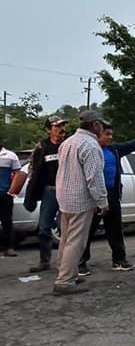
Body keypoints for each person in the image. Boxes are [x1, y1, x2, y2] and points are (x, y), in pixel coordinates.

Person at [78, 122, 135, 276]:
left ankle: (119, 259)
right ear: (98, 133)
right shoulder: (90, 149)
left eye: (112, 134)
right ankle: (80, 262)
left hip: (111, 194)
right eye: (107, 134)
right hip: (92, 196)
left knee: (115, 229)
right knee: (87, 230)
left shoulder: (114, 149)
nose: (110, 137)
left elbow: (133, 144)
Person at [53, 110, 109, 295]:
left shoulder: (67, 142)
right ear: (95, 125)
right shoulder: (90, 145)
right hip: (80, 200)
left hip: (64, 197)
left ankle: (67, 272)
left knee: (66, 239)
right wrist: (103, 202)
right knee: (76, 242)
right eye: (101, 124)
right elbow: (94, 178)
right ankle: (65, 281)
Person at [26, 115, 69, 272]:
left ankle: (69, 263)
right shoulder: (42, 147)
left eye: (62, 126)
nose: (60, 130)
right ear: (48, 129)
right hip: (49, 191)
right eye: (56, 126)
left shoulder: (69, 145)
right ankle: (44, 261)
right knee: (44, 227)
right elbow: (33, 167)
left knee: (67, 228)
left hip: (67, 191)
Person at [0, 141, 23, 257]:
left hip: (4, 193)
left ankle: (8, 247)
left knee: (7, 221)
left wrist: (11, 190)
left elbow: (18, 173)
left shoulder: (10, 155)